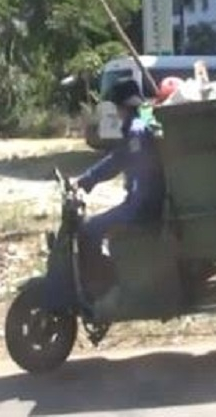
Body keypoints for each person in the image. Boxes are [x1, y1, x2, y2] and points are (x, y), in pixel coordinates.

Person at [75, 78, 166, 294]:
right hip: (145, 202)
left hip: (142, 206)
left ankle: (102, 288)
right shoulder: (142, 123)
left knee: (88, 230)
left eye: (114, 108)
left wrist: (86, 181)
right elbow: (117, 160)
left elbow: (125, 165)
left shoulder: (135, 133)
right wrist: (86, 180)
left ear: (121, 108)